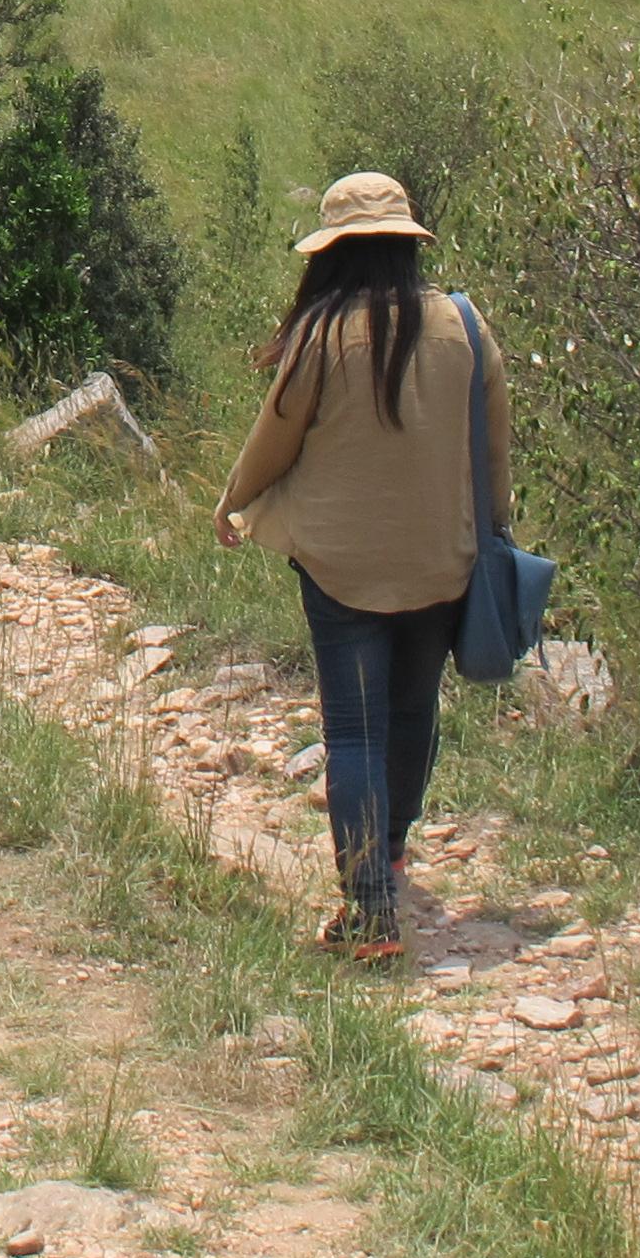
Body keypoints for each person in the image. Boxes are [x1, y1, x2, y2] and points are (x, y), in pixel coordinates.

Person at [212, 169, 510, 959]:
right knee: (414, 713)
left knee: (354, 730)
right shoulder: (464, 327)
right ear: (408, 246)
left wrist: (235, 499)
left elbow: (275, 437)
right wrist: (494, 532)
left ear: (333, 255)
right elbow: (492, 453)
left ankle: (371, 907)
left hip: (340, 565)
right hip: (441, 561)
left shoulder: (324, 334)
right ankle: (395, 851)